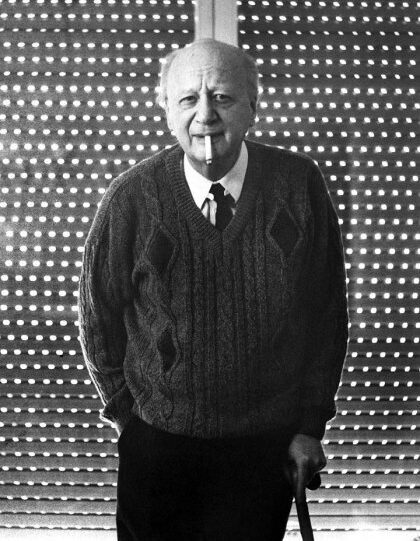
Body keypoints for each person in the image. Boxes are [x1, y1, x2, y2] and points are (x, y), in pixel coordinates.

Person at [78, 38, 349, 541]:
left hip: (264, 449)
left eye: (223, 97)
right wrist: (128, 420)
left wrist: (310, 425)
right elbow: (98, 317)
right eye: (188, 98)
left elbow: (327, 315)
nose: (205, 114)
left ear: (253, 105)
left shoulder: (299, 184)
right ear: (167, 110)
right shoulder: (132, 196)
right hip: (157, 446)